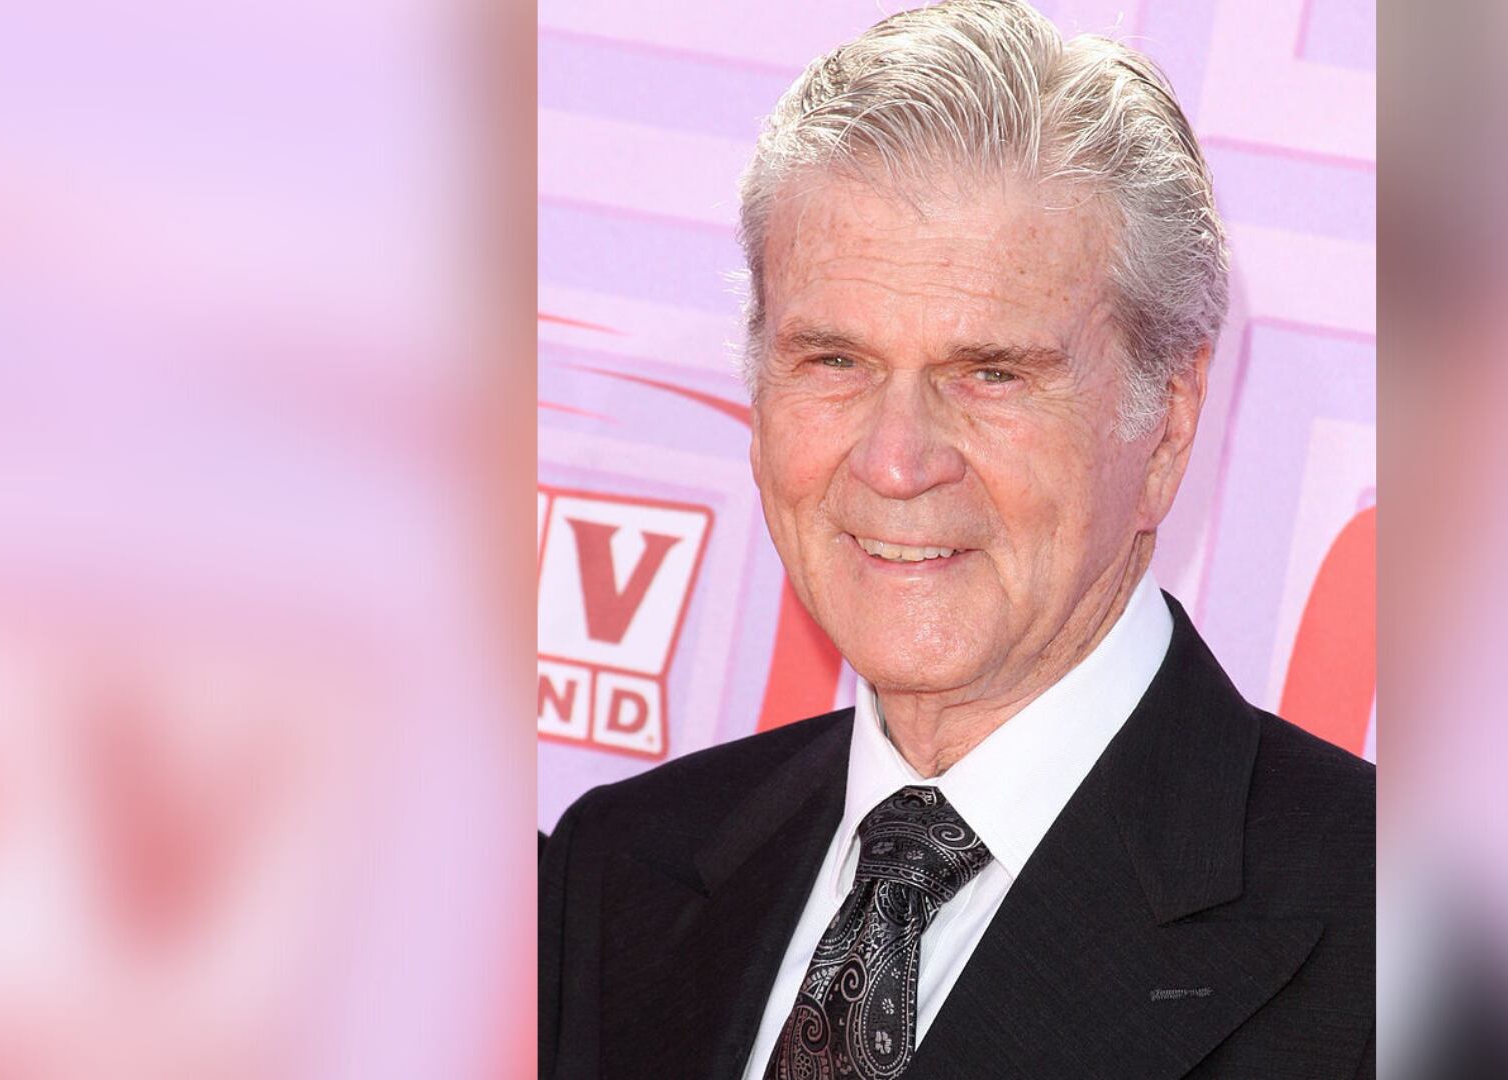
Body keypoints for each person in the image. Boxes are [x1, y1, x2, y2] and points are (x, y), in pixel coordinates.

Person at [538, 2, 1373, 1076]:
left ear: (1167, 419)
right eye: (834, 361)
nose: (897, 462)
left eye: (991, 374)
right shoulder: (616, 876)